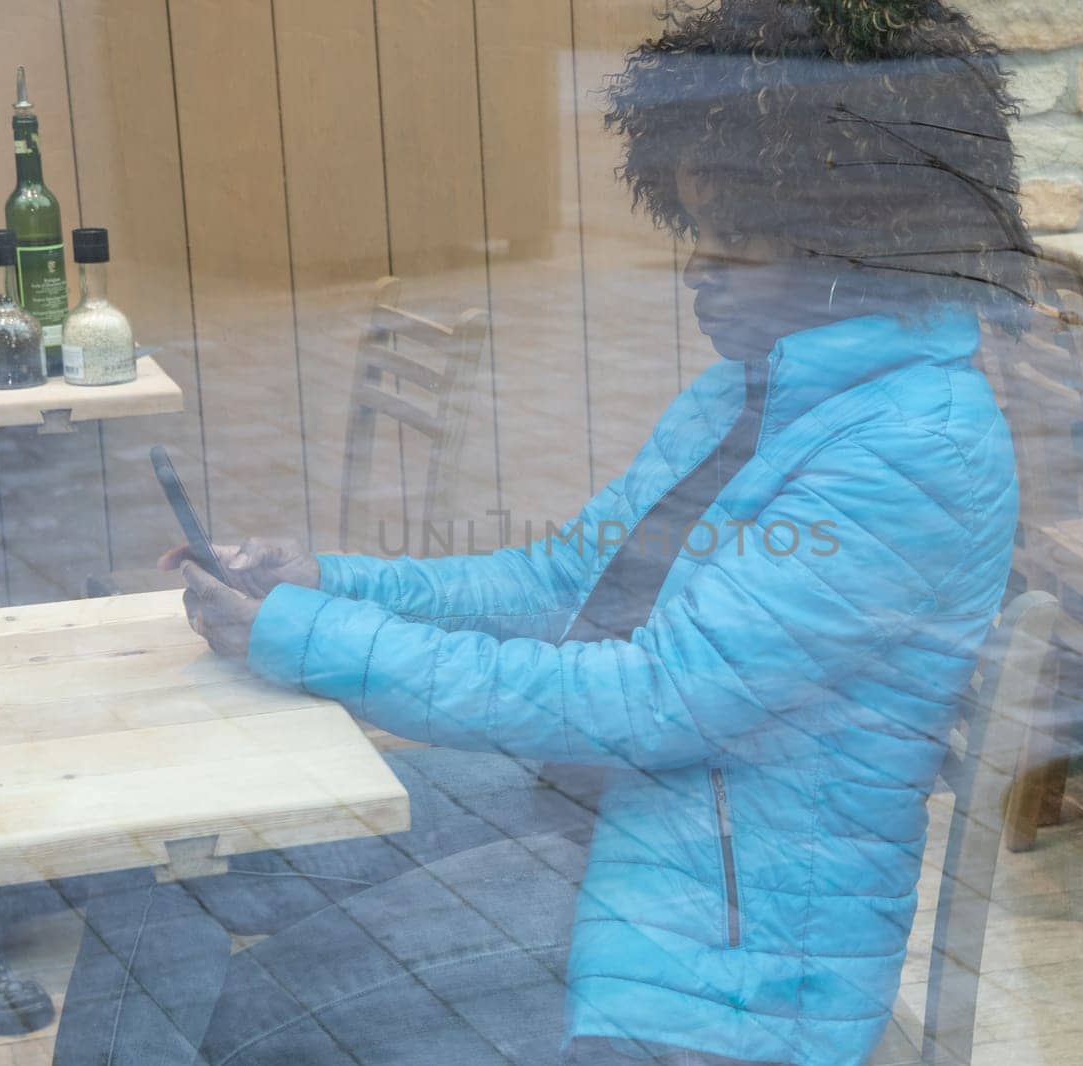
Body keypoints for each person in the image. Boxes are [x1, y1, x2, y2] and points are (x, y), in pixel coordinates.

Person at [53, 1, 1031, 1062]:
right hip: (611, 813)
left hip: (732, 936)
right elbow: (563, 576)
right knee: (167, 871)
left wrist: (307, 638)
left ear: (846, 244)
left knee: (269, 1017)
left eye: (730, 247)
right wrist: (330, 583)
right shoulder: (748, 392)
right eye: (691, 238)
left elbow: (653, 702)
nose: (696, 271)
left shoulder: (914, 449)